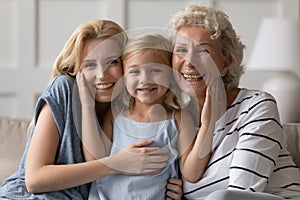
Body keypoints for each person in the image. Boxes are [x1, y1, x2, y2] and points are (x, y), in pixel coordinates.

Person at [0, 20, 182, 200]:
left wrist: (168, 187)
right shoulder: (64, 88)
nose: (102, 75)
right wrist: (117, 163)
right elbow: (34, 180)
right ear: (77, 68)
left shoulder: (125, 110)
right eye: (89, 65)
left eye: (112, 62)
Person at [168, 3, 300, 200]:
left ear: (226, 63)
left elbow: (241, 193)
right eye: (181, 50)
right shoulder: (174, 122)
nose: (189, 62)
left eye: (203, 51)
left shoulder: (256, 106)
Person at [78, 32, 215, 199]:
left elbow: (192, 174)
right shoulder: (116, 116)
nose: (145, 79)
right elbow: (95, 160)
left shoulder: (178, 119)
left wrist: (207, 124)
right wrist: (87, 106)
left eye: (156, 70)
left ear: (171, 76)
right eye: (135, 72)